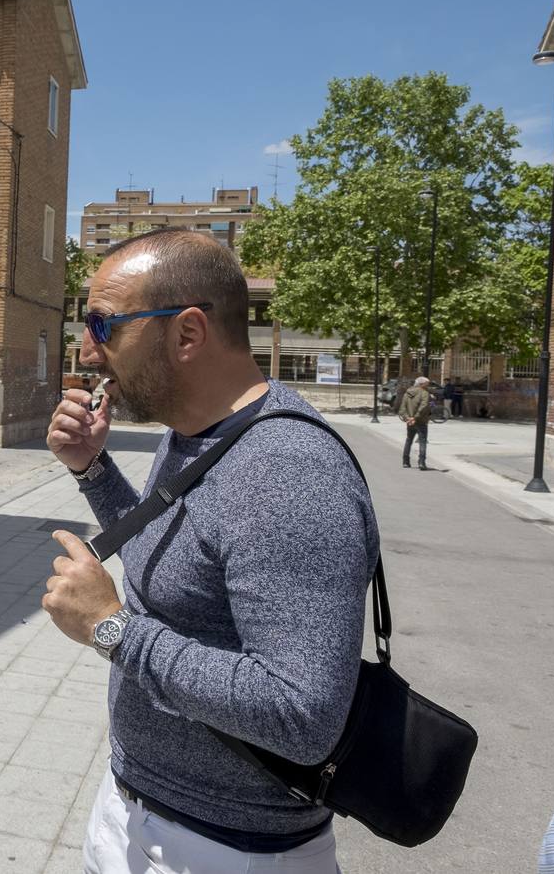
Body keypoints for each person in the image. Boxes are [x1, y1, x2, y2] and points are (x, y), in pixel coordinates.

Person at [42, 229, 378, 874]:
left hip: (229, 848)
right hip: (134, 807)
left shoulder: (291, 472)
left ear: (187, 334)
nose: (87, 350)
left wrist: (113, 631)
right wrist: (93, 471)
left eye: (103, 325)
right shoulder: (194, 434)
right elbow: (168, 564)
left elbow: (303, 716)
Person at [399, 376, 434, 470]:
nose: (428, 385)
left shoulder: (408, 393)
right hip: (421, 421)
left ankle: (405, 461)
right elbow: (423, 407)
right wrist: (414, 418)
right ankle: (421, 462)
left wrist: (408, 418)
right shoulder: (424, 393)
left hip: (410, 422)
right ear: (421, 384)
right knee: (422, 442)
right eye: (427, 383)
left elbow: (402, 409)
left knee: (409, 440)